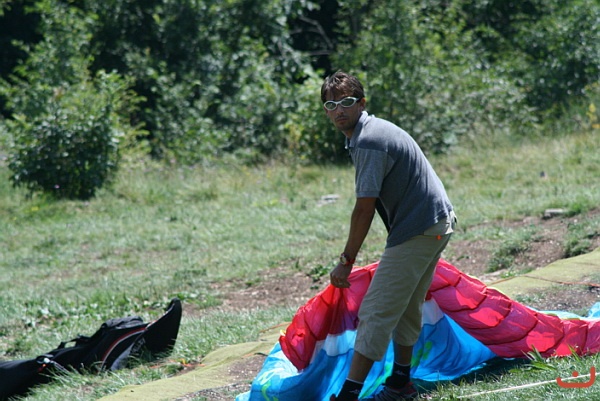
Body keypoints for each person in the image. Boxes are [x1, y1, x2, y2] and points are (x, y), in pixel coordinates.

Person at [323, 71, 456, 401]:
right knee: (406, 306)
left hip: (420, 227)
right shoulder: (367, 133)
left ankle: (349, 395)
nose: (339, 110)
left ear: (362, 103)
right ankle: (400, 383)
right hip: (436, 223)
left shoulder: (369, 140)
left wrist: (346, 261)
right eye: (331, 105)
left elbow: (364, 209)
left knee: (376, 311)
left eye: (346, 102)